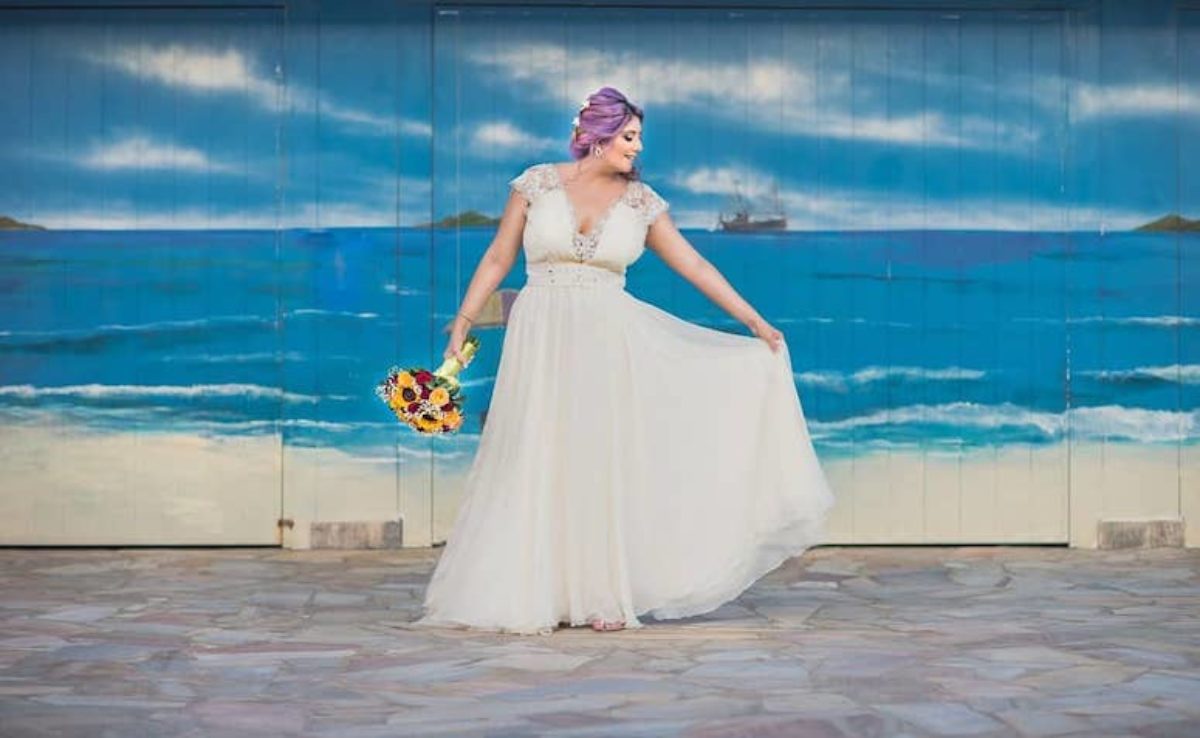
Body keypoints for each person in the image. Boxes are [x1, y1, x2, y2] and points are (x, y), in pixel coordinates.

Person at [412, 86, 835, 636]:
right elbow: (499, 256)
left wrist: (755, 322)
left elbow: (696, 265)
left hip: (608, 337)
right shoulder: (535, 184)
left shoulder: (643, 203)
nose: (636, 148)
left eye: (638, 139)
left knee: (597, 459)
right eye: (629, 137)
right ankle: (536, 589)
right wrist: (465, 321)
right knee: (535, 451)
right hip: (540, 332)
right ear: (597, 136)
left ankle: (601, 593)